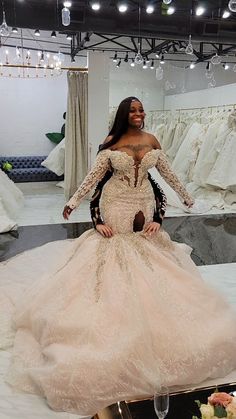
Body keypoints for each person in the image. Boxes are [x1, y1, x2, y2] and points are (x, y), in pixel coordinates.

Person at [0, 97, 236, 417]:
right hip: (115, 202)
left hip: (143, 201)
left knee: (147, 251)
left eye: (141, 110)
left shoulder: (152, 140)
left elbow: (167, 173)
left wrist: (184, 197)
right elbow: (93, 180)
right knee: (114, 251)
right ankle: (105, 300)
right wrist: (76, 204)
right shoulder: (110, 143)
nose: (139, 115)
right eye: (134, 110)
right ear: (124, 115)